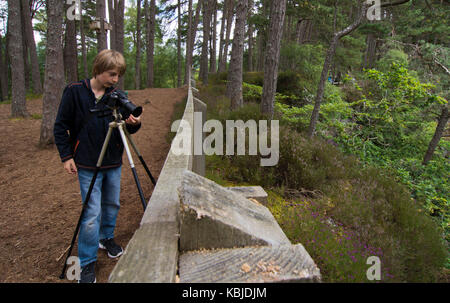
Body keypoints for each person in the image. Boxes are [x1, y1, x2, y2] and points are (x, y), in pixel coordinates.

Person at [54, 50, 142, 283]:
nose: (115, 79)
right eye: (111, 74)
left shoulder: (117, 94)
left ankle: (106, 237)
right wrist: (66, 156)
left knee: (112, 204)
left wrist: (135, 123)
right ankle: (87, 263)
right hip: (86, 162)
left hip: (113, 161)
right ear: (98, 70)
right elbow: (60, 126)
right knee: (91, 213)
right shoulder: (74, 92)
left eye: (118, 75)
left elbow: (127, 127)